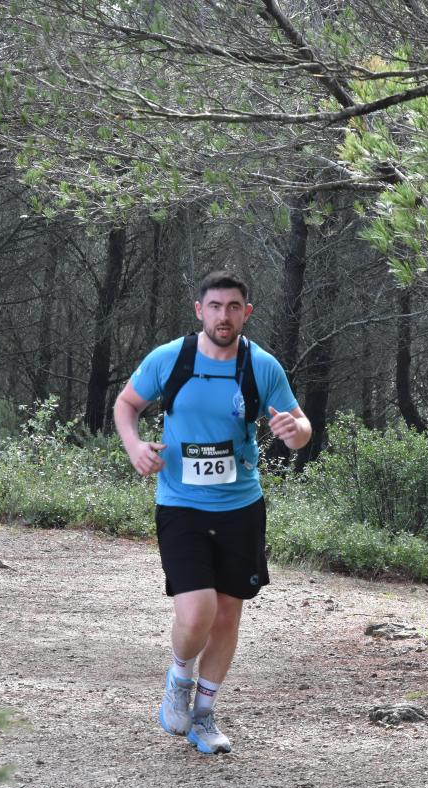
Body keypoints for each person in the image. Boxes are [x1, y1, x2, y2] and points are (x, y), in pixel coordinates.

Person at [114, 270, 311, 755]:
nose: (224, 316)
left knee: (226, 615)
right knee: (197, 610)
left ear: (247, 313)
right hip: (180, 504)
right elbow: (126, 404)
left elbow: (300, 425)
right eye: (216, 306)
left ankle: (203, 715)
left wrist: (295, 432)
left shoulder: (261, 366)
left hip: (240, 508)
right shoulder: (170, 358)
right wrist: (134, 446)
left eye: (233, 307)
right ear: (200, 310)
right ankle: (179, 678)